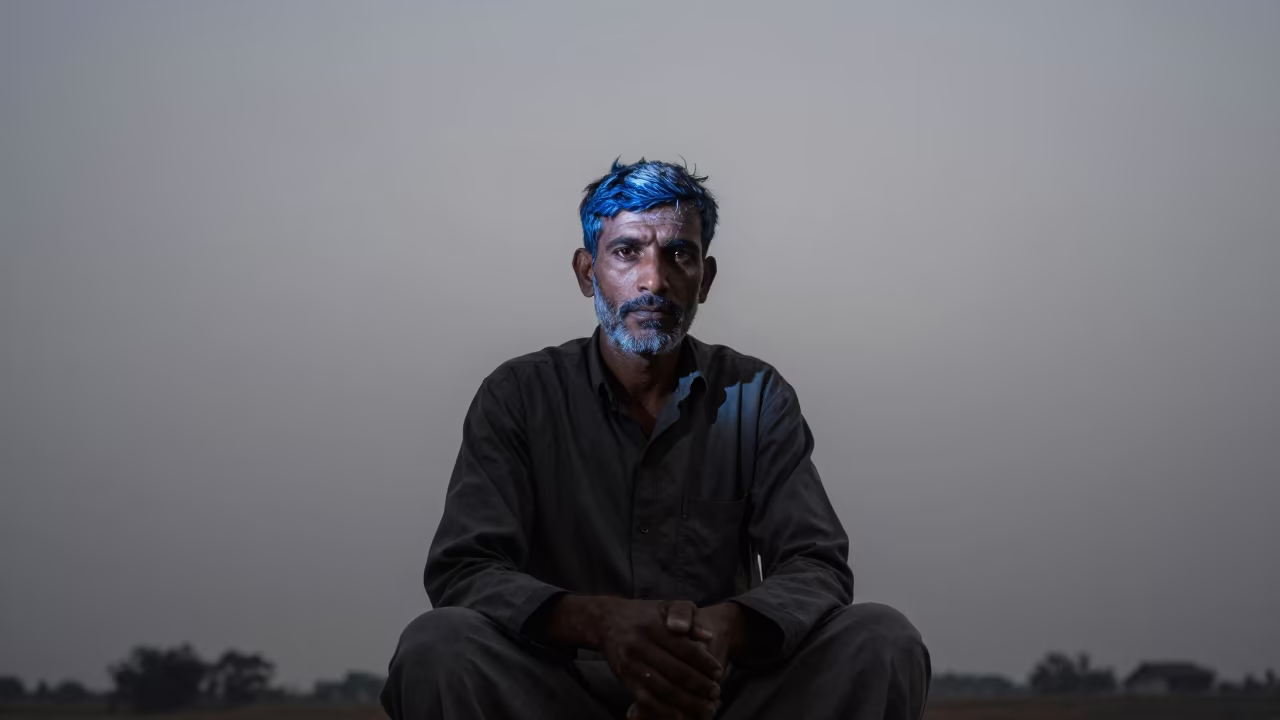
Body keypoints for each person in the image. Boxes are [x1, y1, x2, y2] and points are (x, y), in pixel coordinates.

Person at [380, 159, 931, 719]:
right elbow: (466, 569)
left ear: (706, 279)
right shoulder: (519, 396)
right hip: (561, 692)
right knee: (437, 646)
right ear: (586, 272)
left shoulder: (755, 396)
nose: (654, 280)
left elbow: (816, 564)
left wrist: (723, 628)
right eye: (626, 252)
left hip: (716, 691)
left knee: (881, 638)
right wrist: (603, 623)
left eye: (678, 254)